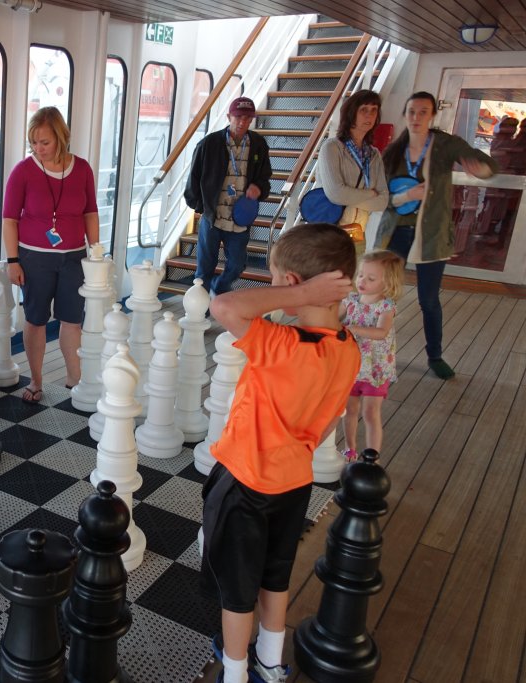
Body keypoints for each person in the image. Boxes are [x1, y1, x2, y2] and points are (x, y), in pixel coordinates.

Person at [204, 222, 360, 683]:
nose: (272, 291)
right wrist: (303, 293)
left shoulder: (281, 345)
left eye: (275, 280)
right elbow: (329, 420)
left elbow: (224, 304)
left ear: (293, 285)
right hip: (295, 482)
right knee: (275, 576)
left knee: (236, 591)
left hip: (245, 482)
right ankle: (271, 663)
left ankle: (234, 673)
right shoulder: (348, 349)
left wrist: (298, 294)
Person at [376, 91, 498, 380]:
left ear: (432, 115)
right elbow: (382, 196)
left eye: (423, 112)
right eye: (412, 112)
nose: (416, 117)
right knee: (383, 293)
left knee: (428, 299)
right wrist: (407, 194)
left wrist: (478, 168)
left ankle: (435, 355)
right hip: (395, 232)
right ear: (405, 114)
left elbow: (485, 164)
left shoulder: (445, 144)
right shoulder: (394, 150)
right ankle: (373, 345)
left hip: (432, 234)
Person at [2, 106, 99, 402]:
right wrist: (13, 260)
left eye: (44, 142)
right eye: (33, 142)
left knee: (72, 320)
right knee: (36, 319)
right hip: (34, 258)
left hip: (74, 258)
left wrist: (95, 254)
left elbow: (90, 212)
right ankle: (36, 381)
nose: (37, 149)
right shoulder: (23, 171)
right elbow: (9, 218)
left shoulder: (82, 169)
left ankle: (74, 381)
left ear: (61, 138)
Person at [184, 96, 272, 295]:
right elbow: (194, 179)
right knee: (204, 269)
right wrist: (202, 207)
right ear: (228, 116)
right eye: (238, 117)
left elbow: (265, 178)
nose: (243, 122)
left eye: (248, 118)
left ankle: (219, 287)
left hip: (240, 219)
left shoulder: (258, 144)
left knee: (237, 266)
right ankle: (200, 311)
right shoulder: (209, 144)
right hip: (212, 218)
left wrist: (259, 188)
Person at [340, 250, 404, 461]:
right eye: (360, 275)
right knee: (349, 410)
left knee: (370, 413)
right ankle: (350, 448)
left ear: (387, 282)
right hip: (351, 367)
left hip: (375, 369)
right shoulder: (350, 301)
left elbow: (381, 332)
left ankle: (372, 456)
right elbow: (334, 316)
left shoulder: (385, 307)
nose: (362, 281)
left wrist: (353, 328)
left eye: (371, 278)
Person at [314, 89, 389, 254]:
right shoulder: (332, 147)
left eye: (374, 110)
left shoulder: (373, 154)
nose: (369, 115)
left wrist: (349, 195)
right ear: (351, 113)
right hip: (330, 233)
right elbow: (336, 194)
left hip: (357, 235)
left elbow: (383, 201)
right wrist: (370, 194)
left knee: (352, 280)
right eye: (363, 110)